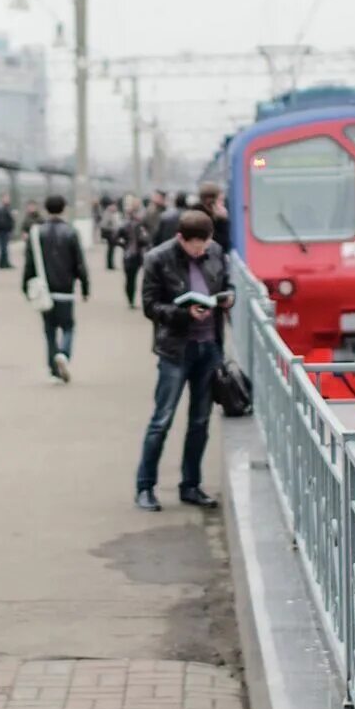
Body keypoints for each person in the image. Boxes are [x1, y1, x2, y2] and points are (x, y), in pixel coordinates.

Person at [134, 210, 233, 512]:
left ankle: (191, 485)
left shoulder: (216, 252)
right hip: (176, 350)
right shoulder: (158, 259)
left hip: (209, 347)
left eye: (203, 246)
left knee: (200, 422)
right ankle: (145, 487)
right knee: (162, 419)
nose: (199, 251)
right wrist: (183, 313)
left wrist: (229, 298)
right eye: (194, 246)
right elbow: (150, 307)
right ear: (180, 238)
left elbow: (227, 284)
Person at [22, 194, 90, 383]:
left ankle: (54, 371)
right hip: (66, 291)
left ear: (45, 209)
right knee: (68, 327)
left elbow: (29, 264)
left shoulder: (37, 233)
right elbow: (80, 264)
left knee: (49, 331)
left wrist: (25, 287)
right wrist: (85, 287)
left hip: (45, 291)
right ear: (64, 209)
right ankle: (64, 354)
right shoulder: (71, 232)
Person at [120, 198, 152, 309]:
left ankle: (131, 300)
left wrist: (123, 244)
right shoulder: (140, 224)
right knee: (136, 279)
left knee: (130, 279)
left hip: (129, 254)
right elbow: (146, 239)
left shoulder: (124, 224)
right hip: (138, 254)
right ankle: (133, 300)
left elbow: (115, 237)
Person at [197, 182, 231, 254]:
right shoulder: (201, 221)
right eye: (220, 200)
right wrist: (222, 221)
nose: (223, 204)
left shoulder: (212, 216)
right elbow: (222, 246)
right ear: (210, 202)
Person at [100, 199, 125, 271]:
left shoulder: (111, 213)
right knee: (111, 250)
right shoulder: (108, 213)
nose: (116, 208)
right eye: (114, 206)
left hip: (112, 234)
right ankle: (110, 265)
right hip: (110, 234)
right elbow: (104, 224)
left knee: (111, 250)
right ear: (111, 206)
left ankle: (110, 265)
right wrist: (113, 228)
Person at [0, 193, 16, 270]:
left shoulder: (8, 208)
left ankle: (4, 263)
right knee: (3, 248)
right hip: (2, 231)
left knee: (4, 247)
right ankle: (3, 263)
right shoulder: (1, 209)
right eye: (6, 198)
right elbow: (1, 222)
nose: (7, 200)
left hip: (5, 231)